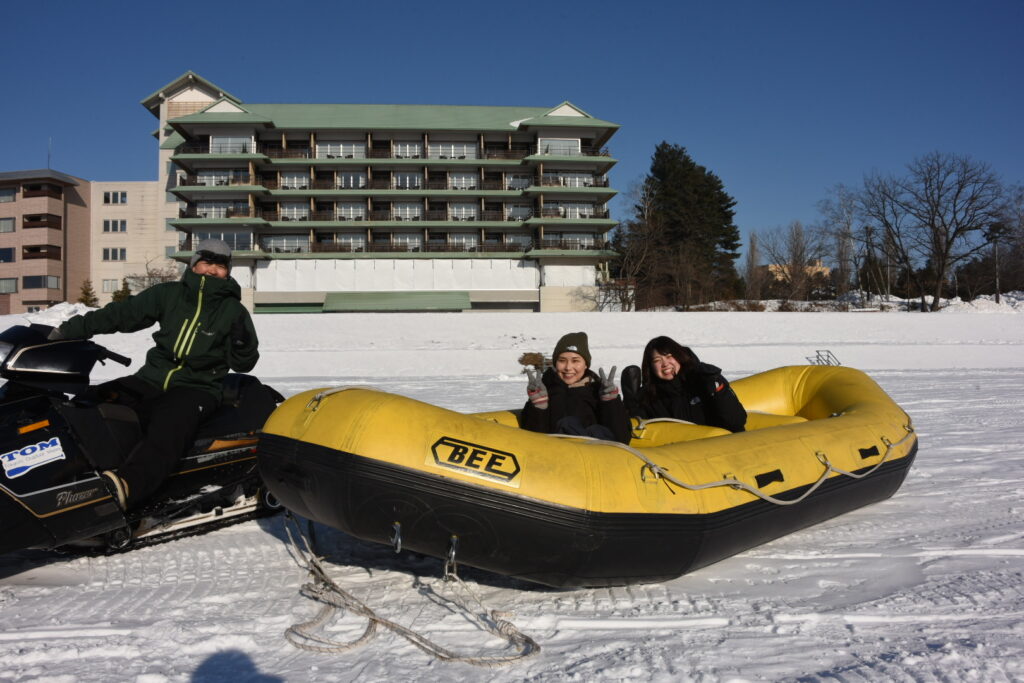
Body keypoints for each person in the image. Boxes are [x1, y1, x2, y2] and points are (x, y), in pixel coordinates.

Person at [51, 239, 259, 509]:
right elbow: (122, 315)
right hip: (149, 379)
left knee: (169, 426)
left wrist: (243, 344)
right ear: (195, 264)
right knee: (90, 402)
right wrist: (67, 331)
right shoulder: (169, 294)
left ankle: (128, 487)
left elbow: (245, 363)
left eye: (220, 266)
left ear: (228, 272)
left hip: (198, 389)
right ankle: (71, 470)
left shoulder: (234, 311)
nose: (212, 270)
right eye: (207, 262)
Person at [520, 332, 631, 444]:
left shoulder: (597, 391)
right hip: (555, 454)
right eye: (562, 361)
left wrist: (610, 403)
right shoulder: (545, 391)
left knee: (594, 429)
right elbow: (531, 441)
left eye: (575, 361)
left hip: (595, 455)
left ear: (586, 364)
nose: (568, 367)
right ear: (555, 363)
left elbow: (622, 438)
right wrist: (539, 406)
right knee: (568, 423)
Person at [622, 336, 746, 433]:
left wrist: (719, 391)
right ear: (650, 367)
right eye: (657, 360)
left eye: (669, 357)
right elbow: (640, 434)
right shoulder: (649, 397)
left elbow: (736, 422)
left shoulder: (702, 380)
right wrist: (631, 403)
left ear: (679, 356)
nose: (665, 364)